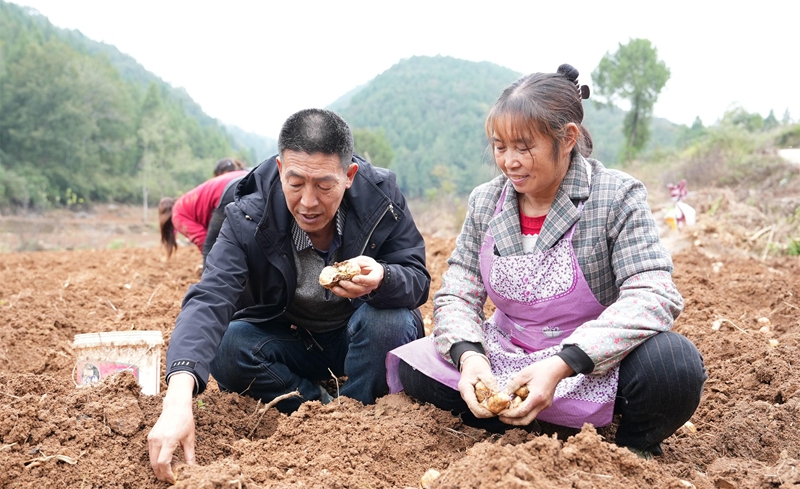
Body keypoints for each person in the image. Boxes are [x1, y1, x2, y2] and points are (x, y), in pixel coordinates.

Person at [387, 64, 706, 459]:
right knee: (416, 370)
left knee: (674, 367)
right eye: (499, 147)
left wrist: (563, 363)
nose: (509, 162)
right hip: (508, 357)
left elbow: (653, 292)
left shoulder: (615, 196)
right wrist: (471, 359)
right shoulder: (487, 202)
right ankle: (514, 415)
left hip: (591, 362)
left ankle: (627, 451)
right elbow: (457, 290)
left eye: (524, 147)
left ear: (567, 138)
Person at [148, 108, 430, 483]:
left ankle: (359, 416)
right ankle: (320, 410)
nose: (308, 202)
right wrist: (179, 395)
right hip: (291, 338)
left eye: (324, 186)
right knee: (231, 347)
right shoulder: (248, 212)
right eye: (295, 183)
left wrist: (383, 277)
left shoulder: (382, 198)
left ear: (349, 176)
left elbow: (417, 278)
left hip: (358, 334)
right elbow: (211, 296)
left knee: (390, 321)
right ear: (281, 169)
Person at [158, 159, 248, 269]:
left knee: (210, 247)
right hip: (248, 179)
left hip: (227, 191)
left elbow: (203, 239)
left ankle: (210, 285)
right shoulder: (186, 202)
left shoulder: (177, 214)